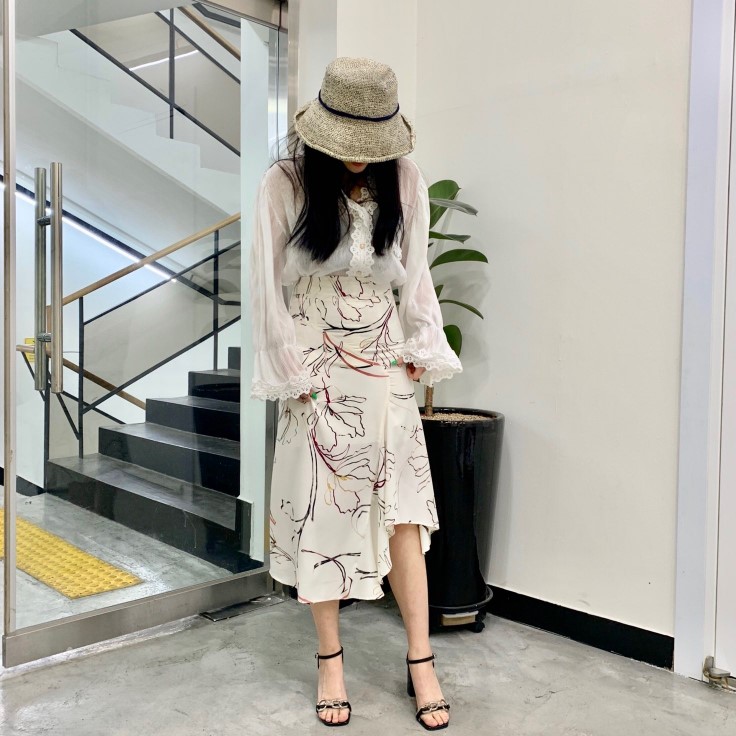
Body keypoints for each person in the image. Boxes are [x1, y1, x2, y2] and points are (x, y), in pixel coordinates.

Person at [249, 57, 462, 730]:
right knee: (324, 512)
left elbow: (416, 274)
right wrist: (290, 372)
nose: (359, 156)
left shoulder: (405, 178)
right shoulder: (284, 183)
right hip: (314, 365)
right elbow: (266, 290)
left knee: (404, 512)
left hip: (384, 358)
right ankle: (330, 660)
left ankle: (421, 659)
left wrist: (420, 347)